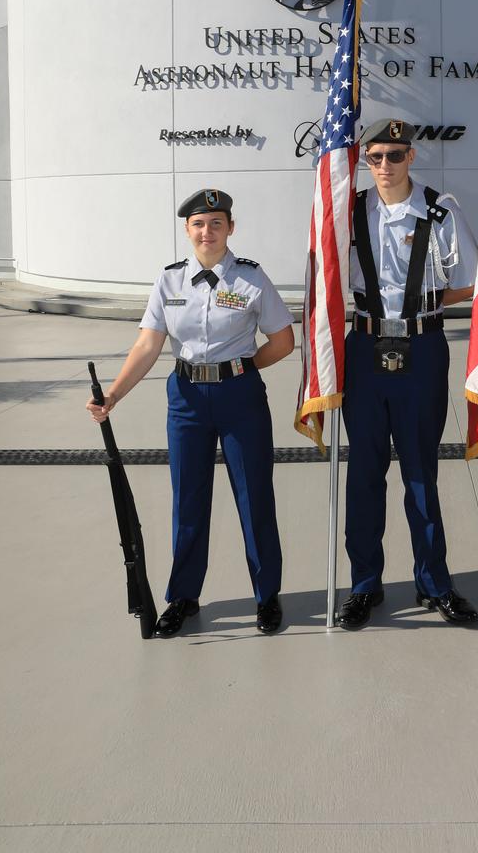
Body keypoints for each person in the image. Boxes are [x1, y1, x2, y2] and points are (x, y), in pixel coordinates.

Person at [86, 189, 294, 637]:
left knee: (254, 497)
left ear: (230, 228)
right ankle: (183, 597)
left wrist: (242, 367)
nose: (207, 231)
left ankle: (267, 596)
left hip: (240, 398)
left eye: (216, 223)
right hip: (186, 399)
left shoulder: (252, 280)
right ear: (187, 229)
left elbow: (282, 341)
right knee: (188, 500)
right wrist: (115, 395)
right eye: (199, 224)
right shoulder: (169, 281)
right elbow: (148, 344)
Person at [338, 119, 478, 630]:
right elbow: (327, 270)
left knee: (421, 470)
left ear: (411, 157)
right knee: (364, 472)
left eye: (393, 156)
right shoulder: (350, 210)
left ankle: (434, 582)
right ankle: (363, 583)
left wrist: (416, 307)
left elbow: (466, 281)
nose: (383, 166)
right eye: (374, 157)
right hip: (364, 350)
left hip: (421, 349)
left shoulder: (441, 210)